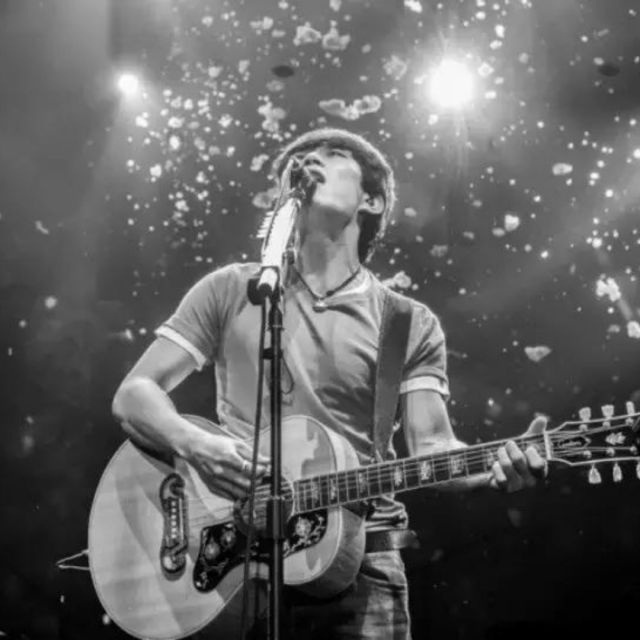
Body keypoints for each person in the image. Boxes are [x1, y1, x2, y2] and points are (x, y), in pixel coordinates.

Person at [111, 127, 547, 639]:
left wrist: (494, 465)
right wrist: (197, 445)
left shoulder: (407, 323)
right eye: (296, 159)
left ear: (371, 200)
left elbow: (432, 446)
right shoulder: (231, 289)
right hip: (235, 564)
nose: (307, 159)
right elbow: (134, 394)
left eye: (332, 153)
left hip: (358, 562)